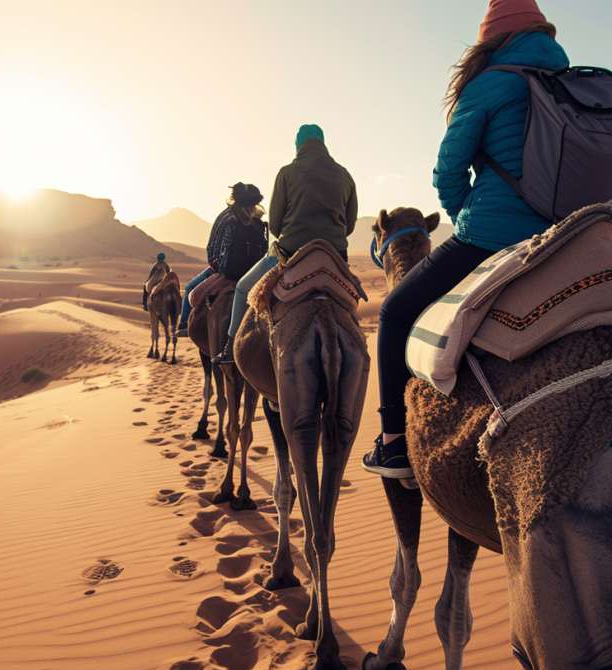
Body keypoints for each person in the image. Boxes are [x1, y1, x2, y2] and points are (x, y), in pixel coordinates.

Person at [362, 0, 567, 479]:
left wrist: (468, 219)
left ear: (491, 39)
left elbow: (448, 172)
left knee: (393, 314)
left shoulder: (490, 83)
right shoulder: (576, 83)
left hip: (494, 237)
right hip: (571, 237)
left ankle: (394, 444)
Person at [213, 124, 357, 364]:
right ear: (323, 143)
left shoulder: (287, 173)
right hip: (334, 256)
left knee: (242, 288)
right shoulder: (345, 175)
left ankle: (229, 348)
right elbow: (350, 226)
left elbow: (277, 226)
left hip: (290, 253)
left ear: (298, 145)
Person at [176, 182, 264, 335]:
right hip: (254, 270)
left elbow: (215, 249)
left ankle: (184, 326)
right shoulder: (258, 223)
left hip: (225, 271)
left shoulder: (226, 219)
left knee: (190, 290)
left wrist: (218, 268)